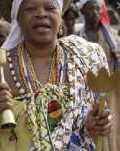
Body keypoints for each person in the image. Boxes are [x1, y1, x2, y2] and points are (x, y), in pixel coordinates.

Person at [0, 0, 113, 150]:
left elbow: (89, 126)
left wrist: (94, 125)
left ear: (60, 18)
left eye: (50, 8)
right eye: (31, 9)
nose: (41, 14)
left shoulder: (83, 59)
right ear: (18, 19)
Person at [77, 0, 120, 150]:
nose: (95, 12)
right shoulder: (78, 39)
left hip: (111, 92)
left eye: (97, 8)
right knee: (91, 125)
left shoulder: (113, 37)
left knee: (111, 125)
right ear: (82, 11)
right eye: (90, 8)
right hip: (88, 89)